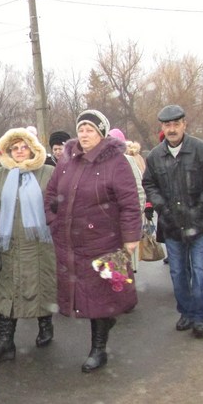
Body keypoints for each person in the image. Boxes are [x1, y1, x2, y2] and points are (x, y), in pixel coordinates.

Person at [45, 111, 141, 372]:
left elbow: (129, 203)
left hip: (103, 240)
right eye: (81, 129)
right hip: (70, 241)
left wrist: (130, 237)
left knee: (100, 296)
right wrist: (53, 220)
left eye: (90, 130)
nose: (84, 135)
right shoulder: (67, 160)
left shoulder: (116, 162)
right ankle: (104, 325)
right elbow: (51, 193)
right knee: (82, 293)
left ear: (102, 133)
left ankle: (98, 348)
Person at [142, 105, 203, 338]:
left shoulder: (201, 149)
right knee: (178, 272)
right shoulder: (155, 156)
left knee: (200, 271)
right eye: (167, 125)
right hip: (172, 224)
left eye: (176, 124)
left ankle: (199, 318)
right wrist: (162, 207)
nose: (172, 129)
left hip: (200, 223)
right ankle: (186, 312)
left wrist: (201, 206)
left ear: (184, 125)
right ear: (162, 127)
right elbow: (149, 183)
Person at [0, 127, 57, 362]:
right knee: (8, 290)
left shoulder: (48, 172)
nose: (20, 151)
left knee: (40, 286)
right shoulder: (2, 174)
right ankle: (6, 342)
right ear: (9, 151)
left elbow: (58, 204)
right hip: (9, 245)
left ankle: (45, 325)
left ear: (34, 149)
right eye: (15, 148)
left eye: (25, 147)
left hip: (39, 245)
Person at [108, 128, 146, 271]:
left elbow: (139, 191)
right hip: (108, 225)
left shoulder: (127, 161)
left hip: (125, 222)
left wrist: (134, 218)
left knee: (124, 266)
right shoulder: (100, 163)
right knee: (111, 268)